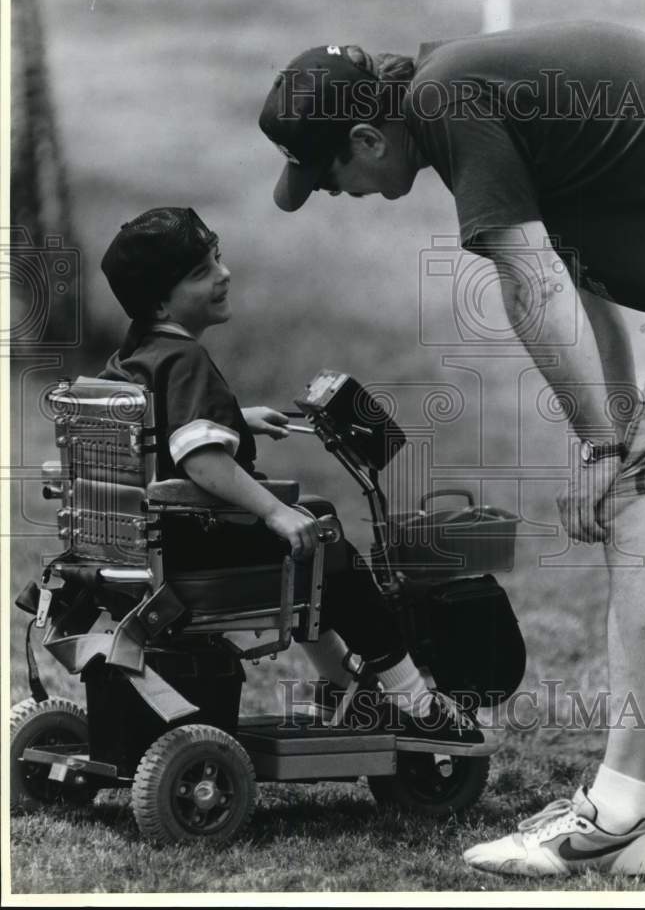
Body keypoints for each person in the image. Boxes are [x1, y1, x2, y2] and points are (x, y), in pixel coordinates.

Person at [259, 22, 645, 876]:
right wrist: (617, 432)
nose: (340, 194)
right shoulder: (460, 95)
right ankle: (635, 811)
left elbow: (531, 278)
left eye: (331, 176)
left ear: (368, 139)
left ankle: (623, 815)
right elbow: (584, 276)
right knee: (643, 507)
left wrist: (600, 448)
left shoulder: (449, 103)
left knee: (641, 524)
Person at [98, 205, 487, 753]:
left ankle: (343, 683)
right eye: (201, 272)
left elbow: (160, 433)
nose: (223, 273)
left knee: (317, 521)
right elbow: (201, 462)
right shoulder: (187, 360)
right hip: (195, 547)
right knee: (325, 541)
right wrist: (274, 511)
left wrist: (237, 419)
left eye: (217, 257)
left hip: (150, 546)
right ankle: (413, 701)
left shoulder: (134, 356)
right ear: (162, 300)